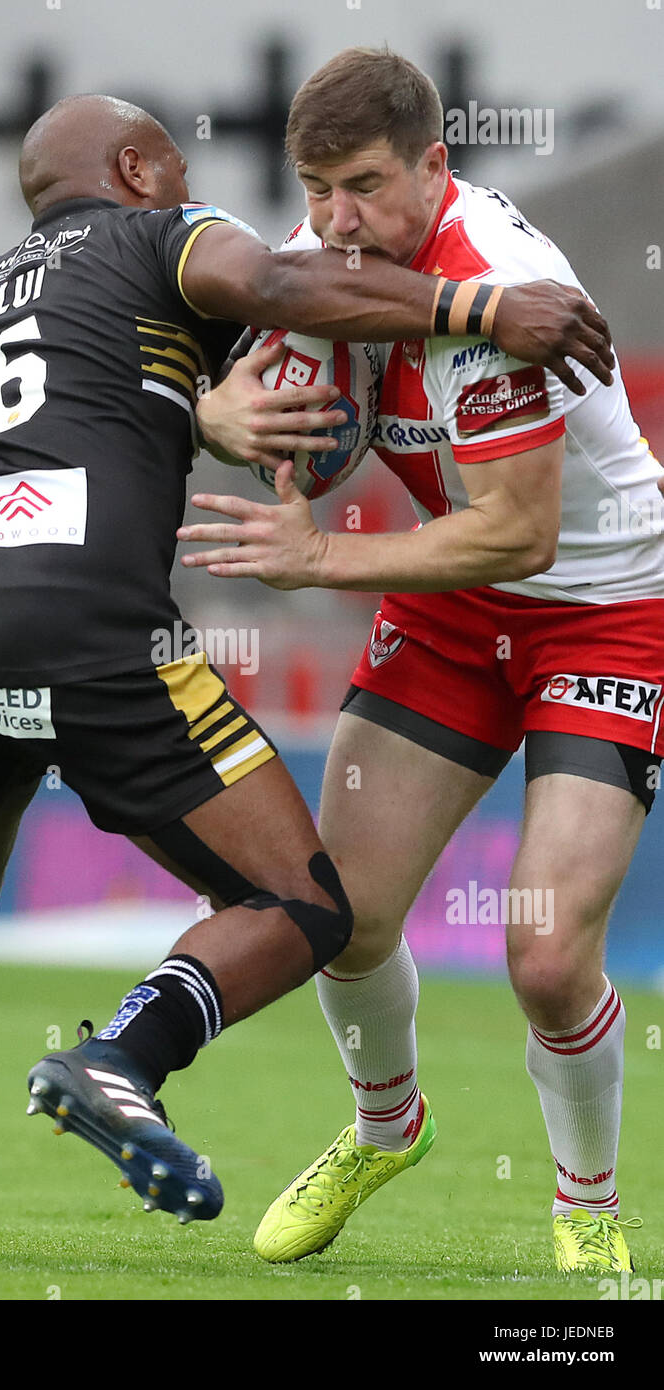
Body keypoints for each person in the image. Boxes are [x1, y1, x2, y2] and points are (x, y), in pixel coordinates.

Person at [0, 90, 615, 1255]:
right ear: (136, 169)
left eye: (357, 187)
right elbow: (275, 291)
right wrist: (481, 308)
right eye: (176, 165)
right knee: (304, 902)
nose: (325, 219)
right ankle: (122, 1061)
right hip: (95, 634)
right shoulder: (168, 234)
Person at [185, 47, 660, 1276]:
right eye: (315, 188)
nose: (336, 221)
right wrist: (220, 414)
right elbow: (268, 393)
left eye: (364, 187)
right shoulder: (334, 248)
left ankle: (590, 1202)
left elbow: (520, 532)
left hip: (602, 611)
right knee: (341, 911)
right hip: (455, 615)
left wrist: (316, 557)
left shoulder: (502, 290)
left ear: (437, 169)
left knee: (548, 955)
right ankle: (386, 1126)